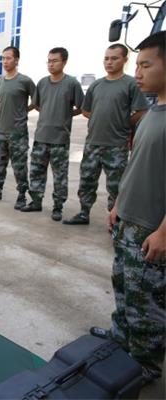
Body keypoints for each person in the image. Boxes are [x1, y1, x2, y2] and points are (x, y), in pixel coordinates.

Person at [90, 31, 166, 386]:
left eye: (145, 64)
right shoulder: (153, 111)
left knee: (146, 303)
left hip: (151, 227)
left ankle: (146, 366)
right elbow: (138, 164)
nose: (138, 72)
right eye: (136, 65)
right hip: (128, 221)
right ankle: (122, 342)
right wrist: (117, 204)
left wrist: (163, 231)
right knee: (124, 288)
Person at [63, 44, 148, 225]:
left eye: (114, 58)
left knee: (116, 186)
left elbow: (141, 110)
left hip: (116, 145)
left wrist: (123, 123)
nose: (109, 62)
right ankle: (84, 213)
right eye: (106, 58)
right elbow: (86, 111)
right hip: (93, 143)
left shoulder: (131, 84)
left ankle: (115, 219)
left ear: (125, 60)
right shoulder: (97, 85)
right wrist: (101, 118)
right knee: (86, 181)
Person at [21, 47, 84, 221]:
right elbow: (38, 105)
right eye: (48, 61)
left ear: (64, 62)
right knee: (36, 172)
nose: (51, 64)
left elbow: (82, 107)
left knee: (60, 176)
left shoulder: (72, 84)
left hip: (60, 139)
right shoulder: (42, 83)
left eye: (54, 61)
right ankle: (35, 201)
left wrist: (64, 115)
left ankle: (58, 207)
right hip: (41, 137)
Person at [0, 46, 36, 209]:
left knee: (19, 166)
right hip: (1, 131)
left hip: (18, 132)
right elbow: (2, 102)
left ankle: (22, 195)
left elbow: (36, 101)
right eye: (3, 58)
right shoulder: (1, 81)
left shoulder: (25, 81)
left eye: (8, 58)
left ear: (17, 60)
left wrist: (23, 112)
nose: (5, 61)